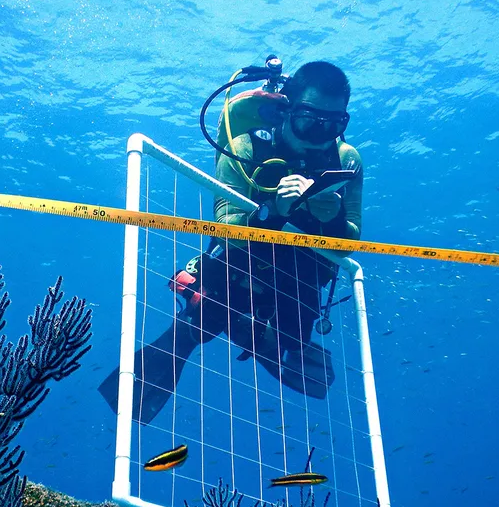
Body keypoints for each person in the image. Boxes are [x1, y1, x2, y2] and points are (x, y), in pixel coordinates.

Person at [100, 61, 364, 424]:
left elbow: (349, 243)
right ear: (287, 108)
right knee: (198, 325)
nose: (320, 136)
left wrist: (331, 217)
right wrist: (277, 209)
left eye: (333, 125)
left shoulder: (346, 160)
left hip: (301, 277)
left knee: (293, 344)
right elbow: (227, 229)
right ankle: (223, 325)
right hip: (242, 266)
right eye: (309, 120)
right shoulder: (245, 148)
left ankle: (253, 334)